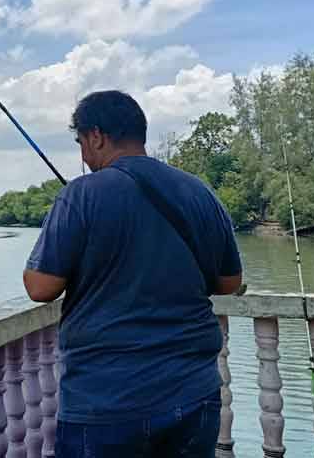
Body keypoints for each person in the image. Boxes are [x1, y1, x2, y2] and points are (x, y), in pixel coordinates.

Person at [23, 90, 243, 458]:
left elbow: (40, 286)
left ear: (96, 136)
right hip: (194, 394)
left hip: (106, 402)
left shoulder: (80, 195)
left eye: (81, 142)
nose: (82, 155)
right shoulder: (199, 192)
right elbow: (229, 282)